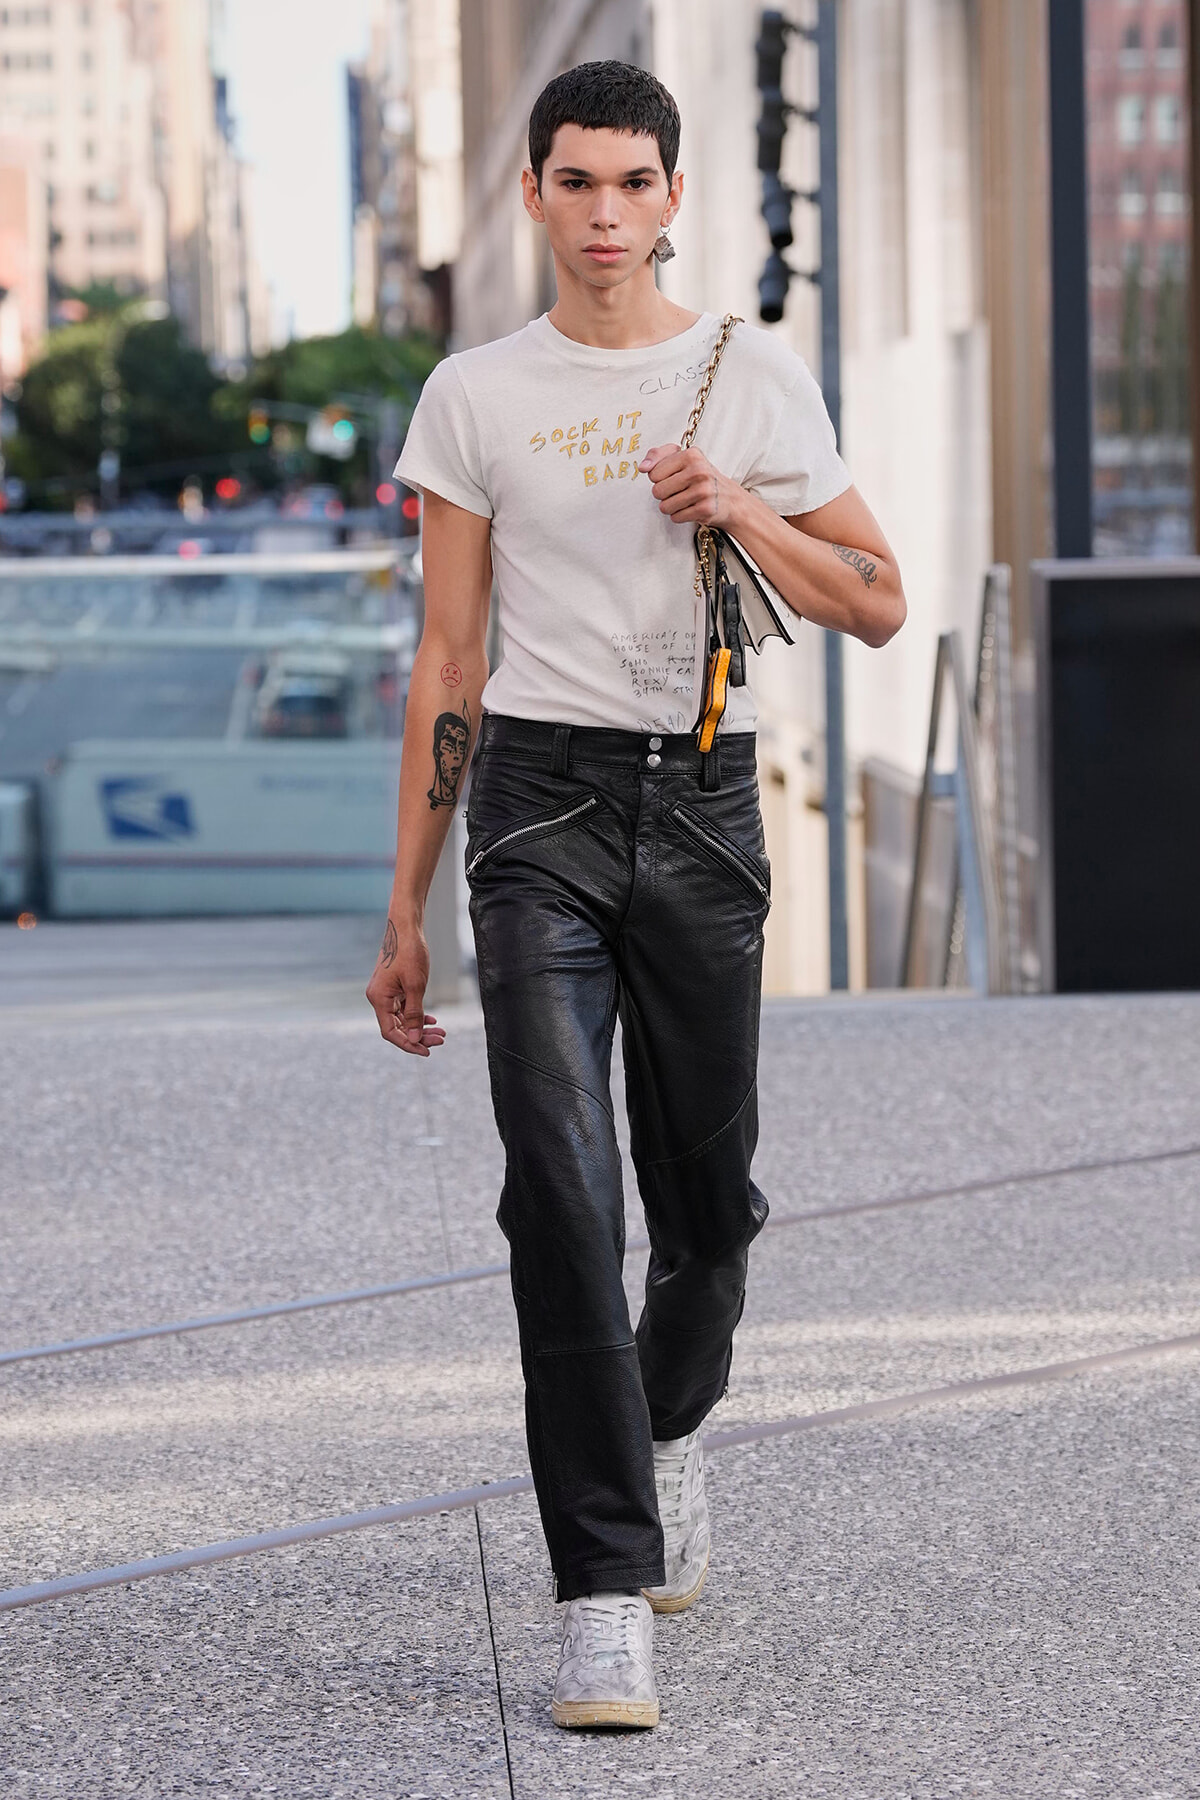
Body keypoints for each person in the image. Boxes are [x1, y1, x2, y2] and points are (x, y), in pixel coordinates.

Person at [366, 59, 905, 1730]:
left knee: (708, 1210)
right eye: (575, 182)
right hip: (533, 808)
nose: (604, 215)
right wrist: (405, 908)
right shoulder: (473, 392)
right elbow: (450, 654)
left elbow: (878, 602)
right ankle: (603, 1587)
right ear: (531, 194)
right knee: (559, 1189)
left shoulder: (751, 378)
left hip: (706, 810)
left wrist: (741, 505)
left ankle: (665, 1431)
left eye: (632, 184)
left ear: (673, 198)